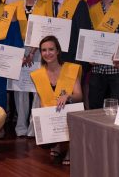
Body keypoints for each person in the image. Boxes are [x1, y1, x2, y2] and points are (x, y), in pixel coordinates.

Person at [30, 36, 82, 166]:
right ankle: (56, 143)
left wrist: (68, 96)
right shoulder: (38, 74)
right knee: (44, 142)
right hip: (52, 112)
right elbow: (43, 100)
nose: (47, 53)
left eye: (51, 49)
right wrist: (44, 123)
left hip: (70, 110)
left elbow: (79, 96)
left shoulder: (71, 69)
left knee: (69, 107)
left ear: (58, 51)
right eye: (44, 50)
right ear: (41, 53)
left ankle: (71, 149)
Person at [43, 0, 92, 107]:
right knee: (55, 100)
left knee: (72, 100)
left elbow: (85, 33)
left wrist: (82, 63)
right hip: (54, 61)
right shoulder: (47, 5)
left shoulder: (78, 3)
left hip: (73, 60)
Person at [11, 0, 47, 137]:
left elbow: (47, 30)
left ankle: (34, 127)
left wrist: (32, 51)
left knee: (37, 89)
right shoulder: (15, 6)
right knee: (20, 89)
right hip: (20, 51)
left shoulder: (46, 6)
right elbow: (12, 32)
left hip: (39, 51)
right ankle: (20, 126)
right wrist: (20, 53)